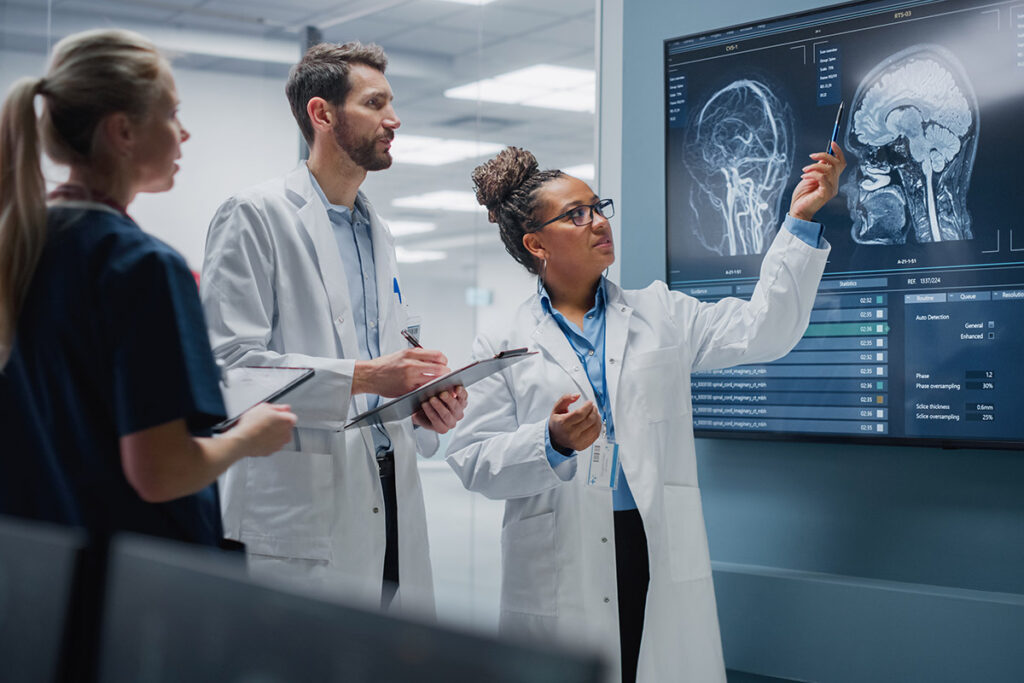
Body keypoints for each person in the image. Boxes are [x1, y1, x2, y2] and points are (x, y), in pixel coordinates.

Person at [446, 144, 846, 682]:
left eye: (598, 206)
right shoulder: (502, 339)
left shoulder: (662, 313)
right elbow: (472, 459)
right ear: (536, 243)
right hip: (563, 550)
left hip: (651, 539)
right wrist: (552, 441)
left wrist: (799, 220)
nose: (598, 222)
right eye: (576, 214)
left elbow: (765, 330)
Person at [200, 42, 467, 613]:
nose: (393, 120)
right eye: (375, 104)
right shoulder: (254, 215)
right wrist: (369, 376)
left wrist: (424, 400)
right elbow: (228, 370)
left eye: (391, 104)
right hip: (303, 505)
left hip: (388, 489)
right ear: (322, 114)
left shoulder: (380, 233)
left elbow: (386, 358)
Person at [0, 29, 296, 544]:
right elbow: (161, 473)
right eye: (171, 114)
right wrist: (250, 436)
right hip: (130, 577)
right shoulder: (141, 266)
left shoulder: (22, 247)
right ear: (123, 132)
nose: (184, 134)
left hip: (39, 565)